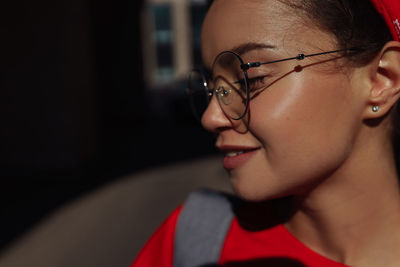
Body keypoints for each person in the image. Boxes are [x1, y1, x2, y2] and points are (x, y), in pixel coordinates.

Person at [132, 0, 400, 266]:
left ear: (382, 80)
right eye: (214, 87)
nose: (211, 117)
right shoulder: (196, 240)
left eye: (252, 80)